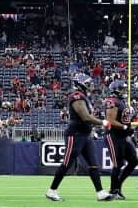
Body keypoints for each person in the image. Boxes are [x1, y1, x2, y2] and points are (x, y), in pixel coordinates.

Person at [45, 73, 112, 202]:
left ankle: (100, 192)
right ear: (81, 84)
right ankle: (52, 190)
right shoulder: (77, 96)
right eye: (88, 83)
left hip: (85, 135)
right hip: (75, 134)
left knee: (93, 164)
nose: (90, 85)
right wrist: (102, 122)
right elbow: (85, 117)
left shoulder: (84, 97)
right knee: (67, 162)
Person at [103, 80, 138, 199]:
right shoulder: (112, 101)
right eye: (122, 89)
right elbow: (110, 120)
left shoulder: (121, 101)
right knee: (118, 164)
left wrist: (129, 131)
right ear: (116, 89)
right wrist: (124, 127)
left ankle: (118, 185)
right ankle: (113, 191)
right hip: (114, 136)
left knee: (133, 161)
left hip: (123, 136)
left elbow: (125, 119)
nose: (124, 91)